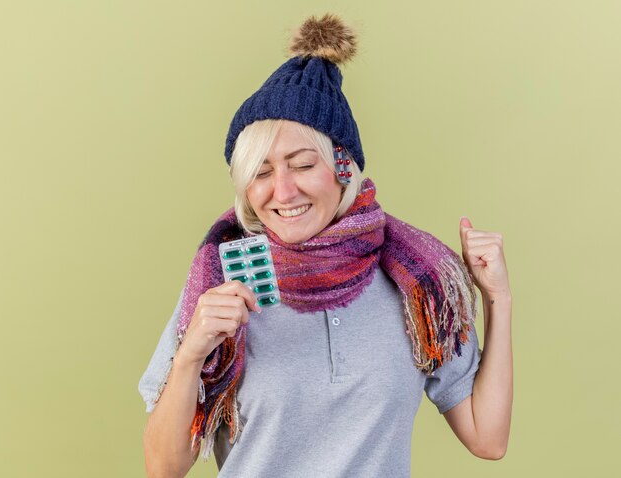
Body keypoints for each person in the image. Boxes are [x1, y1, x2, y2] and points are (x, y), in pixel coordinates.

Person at [138, 13, 513, 478]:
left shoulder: (417, 283)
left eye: (300, 164)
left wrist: (497, 297)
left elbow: (488, 437)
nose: (283, 190)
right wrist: (193, 351)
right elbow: (163, 469)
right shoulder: (220, 288)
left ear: (342, 169)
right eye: (261, 172)